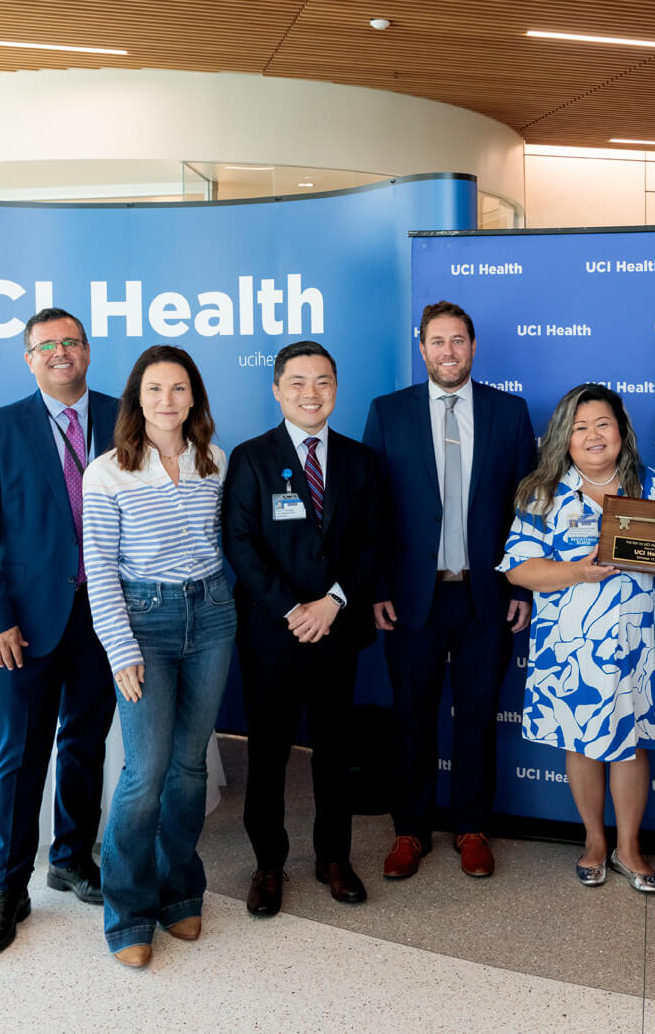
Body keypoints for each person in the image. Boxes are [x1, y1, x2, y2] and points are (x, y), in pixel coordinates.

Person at [0, 307, 118, 957]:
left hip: (104, 615)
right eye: (46, 344)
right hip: (25, 621)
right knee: (20, 753)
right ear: (29, 358)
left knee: (85, 741)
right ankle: (6, 886)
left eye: (70, 341)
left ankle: (73, 857)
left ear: (87, 349)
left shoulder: (124, 413)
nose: (60, 352)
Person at [362, 301, 536, 880]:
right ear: (422, 349)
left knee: (478, 718)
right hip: (413, 596)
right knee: (412, 717)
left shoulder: (509, 414)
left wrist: (522, 586)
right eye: (437, 341)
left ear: (473, 346)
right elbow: (374, 511)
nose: (448, 351)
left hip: (486, 596)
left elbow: (528, 508)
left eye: (458, 340)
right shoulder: (389, 413)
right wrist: (381, 585)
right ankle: (409, 830)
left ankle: (471, 827)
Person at [499, 385, 655, 891]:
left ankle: (629, 848)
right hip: (571, 650)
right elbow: (519, 571)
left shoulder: (653, 485)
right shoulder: (541, 493)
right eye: (580, 427)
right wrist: (577, 573)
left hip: (638, 644)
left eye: (602, 423)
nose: (592, 435)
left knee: (632, 745)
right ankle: (594, 841)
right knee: (581, 746)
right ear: (565, 438)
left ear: (621, 430)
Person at [80, 345, 233, 967]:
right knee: (145, 772)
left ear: (192, 395)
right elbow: (99, 567)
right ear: (136, 399)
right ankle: (128, 913)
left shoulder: (213, 461)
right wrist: (120, 649)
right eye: (153, 390)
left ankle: (180, 893)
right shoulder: (108, 471)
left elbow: (226, 543)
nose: (166, 401)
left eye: (177, 389)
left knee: (190, 767)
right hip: (144, 623)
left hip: (214, 618)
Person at [222, 341, 383, 916]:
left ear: (336, 389)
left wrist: (333, 603)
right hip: (273, 633)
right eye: (297, 382)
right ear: (276, 390)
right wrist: (294, 609)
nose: (310, 393)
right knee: (267, 753)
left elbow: (373, 544)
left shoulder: (362, 461)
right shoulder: (250, 457)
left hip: (336, 629)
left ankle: (332, 858)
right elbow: (239, 544)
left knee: (333, 751)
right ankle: (269, 865)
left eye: (322, 382)